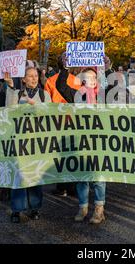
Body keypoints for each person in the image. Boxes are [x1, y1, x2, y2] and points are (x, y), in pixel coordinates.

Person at [55, 66, 107, 224]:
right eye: (87, 77)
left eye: (93, 77)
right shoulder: (76, 95)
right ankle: (83, 207)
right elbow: (61, 86)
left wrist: (108, 67)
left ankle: (99, 209)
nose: (90, 80)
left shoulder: (104, 96)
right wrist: (64, 68)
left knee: (99, 177)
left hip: (99, 142)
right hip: (81, 142)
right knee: (82, 177)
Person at [4, 67, 51, 223]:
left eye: (36, 76)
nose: (34, 78)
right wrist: (11, 87)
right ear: (23, 79)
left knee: (35, 174)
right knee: (19, 175)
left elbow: (50, 116)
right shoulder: (16, 93)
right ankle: (17, 209)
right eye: (30, 76)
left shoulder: (45, 95)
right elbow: (9, 111)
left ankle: (35, 208)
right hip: (20, 140)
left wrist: (35, 106)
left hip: (38, 142)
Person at [44, 53, 80, 196]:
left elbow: (48, 101)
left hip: (58, 120)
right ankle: (70, 185)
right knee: (72, 152)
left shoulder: (50, 81)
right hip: (72, 120)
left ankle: (62, 185)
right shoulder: (75, 80)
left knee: (60, 154)